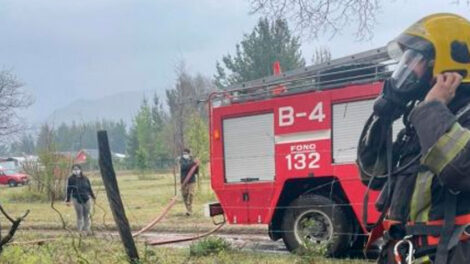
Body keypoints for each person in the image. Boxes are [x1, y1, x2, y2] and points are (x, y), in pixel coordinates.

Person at [357, 14, 470, 263]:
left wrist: (432, 107)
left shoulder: (456, 116)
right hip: (403, 252)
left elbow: (460, 170)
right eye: (405, 60)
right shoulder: (419, 123)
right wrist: (383, 118)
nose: (407, 69)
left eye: (415, 60)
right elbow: (372, 175)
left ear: (447, 67)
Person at [65, 164, 96, 235]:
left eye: (77, 169)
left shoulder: (85, 178)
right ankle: (80, 231)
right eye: (74, 169)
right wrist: (68, 200)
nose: (76, 171)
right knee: (79, 215)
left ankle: (87, 230)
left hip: (86, 198)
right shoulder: (71, 179)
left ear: (80, 170)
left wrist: (93, 197)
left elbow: (89, 188)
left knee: (86, 215)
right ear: (72, 170)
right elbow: (69, 189)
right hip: (76, 199)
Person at [178, 148, 198, 216]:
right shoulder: (181, 160)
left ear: (189, 154)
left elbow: (196, 171)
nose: (185, 155)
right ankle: (189, 210)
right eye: (184, 154)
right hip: (184, 181)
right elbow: (184, 167)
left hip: (192, 181)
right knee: (185, 195)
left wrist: (197, 166)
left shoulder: (192, 160)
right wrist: (193, 163)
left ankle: (190, 209)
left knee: (191, 194)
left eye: (186, 154)